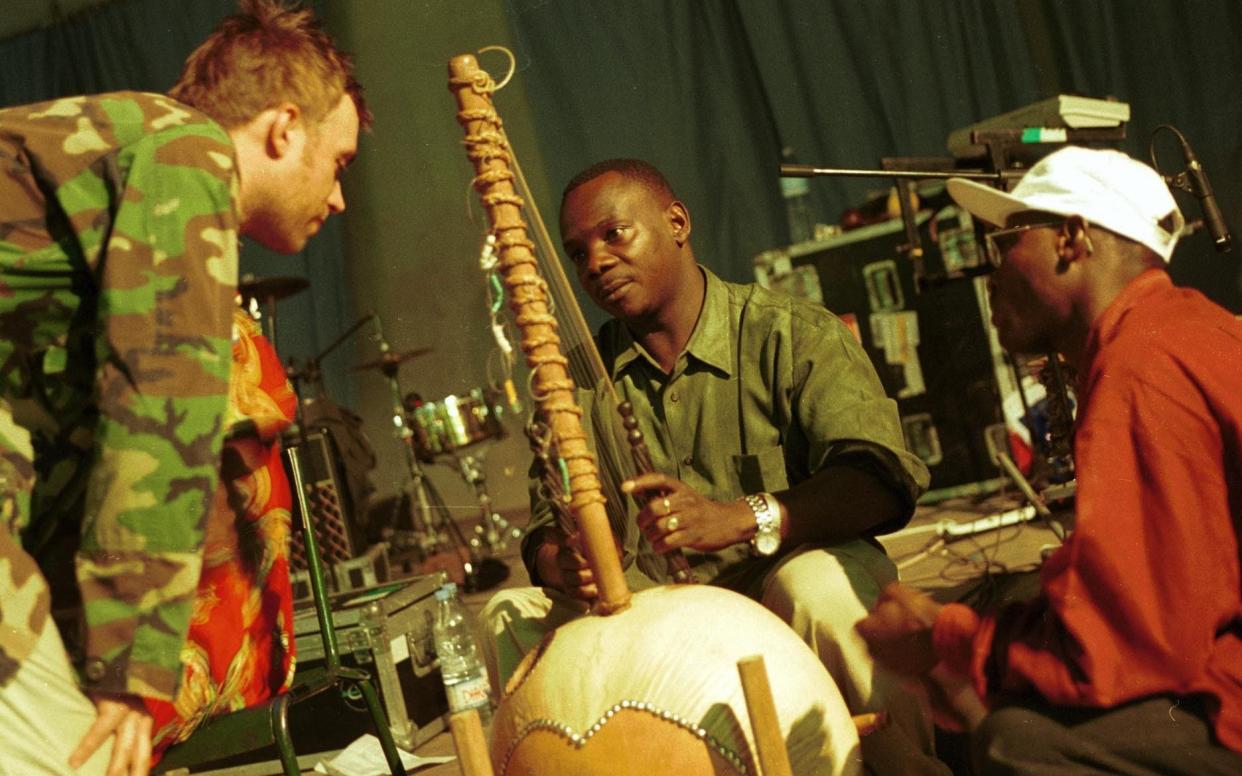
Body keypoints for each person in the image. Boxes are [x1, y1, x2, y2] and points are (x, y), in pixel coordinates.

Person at [0, 1, 369, 773]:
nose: (338, 200)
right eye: (339, 164)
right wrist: (131, 671)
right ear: (283, 127)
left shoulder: (120, 161)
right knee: (73, 759)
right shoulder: (187, 154)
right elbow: (159, 401)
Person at [482, 158, 945, 773]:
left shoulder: (791, 333)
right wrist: (559, 560)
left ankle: (902, 765)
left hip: (774, 596)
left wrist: (743, 517)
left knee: (821, 586)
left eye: (614, 234)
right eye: (577, 252)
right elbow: (546, 523)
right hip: (652, 617)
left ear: (676, 222)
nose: (594, 263)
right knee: (507, 616)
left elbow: (879, 478)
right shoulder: (571, 382)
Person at [857, 145, 1242, 774]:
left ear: (1071, 239)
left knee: (1019, 740)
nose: (992, 271)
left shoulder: (1140, 371)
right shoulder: (1185, 327)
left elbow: (1128, 646)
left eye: (1007, 240)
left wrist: (944, 637)